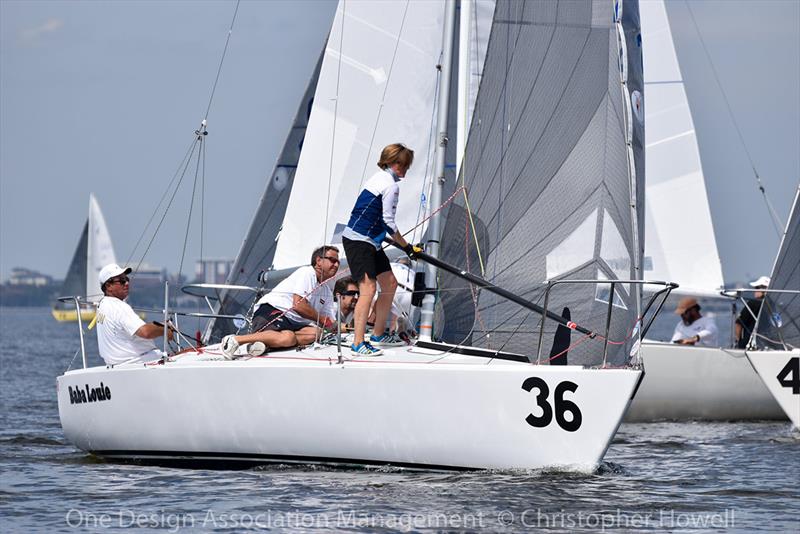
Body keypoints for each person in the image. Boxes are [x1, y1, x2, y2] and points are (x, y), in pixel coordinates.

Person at [341, 143, 420, 356]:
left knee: (390, 283)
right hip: (359, 241)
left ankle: (378, 335)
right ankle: (358, 343)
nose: (406, 169)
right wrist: (408, 248)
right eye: (404, 164)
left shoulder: (379, 178)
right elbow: (388, 223)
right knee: (368, 290)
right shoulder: (391, 185)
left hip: (369, 241)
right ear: (396, 163)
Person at [220, 246, 340, 358]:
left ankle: (265, 344)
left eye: (338, 262)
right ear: (318, 261)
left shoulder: (327, 291)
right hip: (273, 311)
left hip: (292, 324)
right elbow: (298, 305)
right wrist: (324, 320)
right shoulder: (307, 273)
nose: (336, 265)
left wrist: (354, 328)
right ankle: (236, 340)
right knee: (288, 338)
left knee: (316, 333)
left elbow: (331, 324)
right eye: (332, 260)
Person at [95, 263, 173, 365]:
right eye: (122, 281)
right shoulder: (119, 307)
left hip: (117, 365)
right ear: (108, 286)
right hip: (141, 363)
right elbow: (145, 332)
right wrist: (166, 328)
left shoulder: (101, 305)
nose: (126, 283)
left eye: (127, 279)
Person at [735, 275, 769, 349]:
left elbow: (738, 324)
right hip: (767, 345)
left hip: (749, 345)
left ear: (763, 290)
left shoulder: (753, 303)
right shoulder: (772, 304)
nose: (754, 290)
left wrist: (738, 342)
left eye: (756, 288)